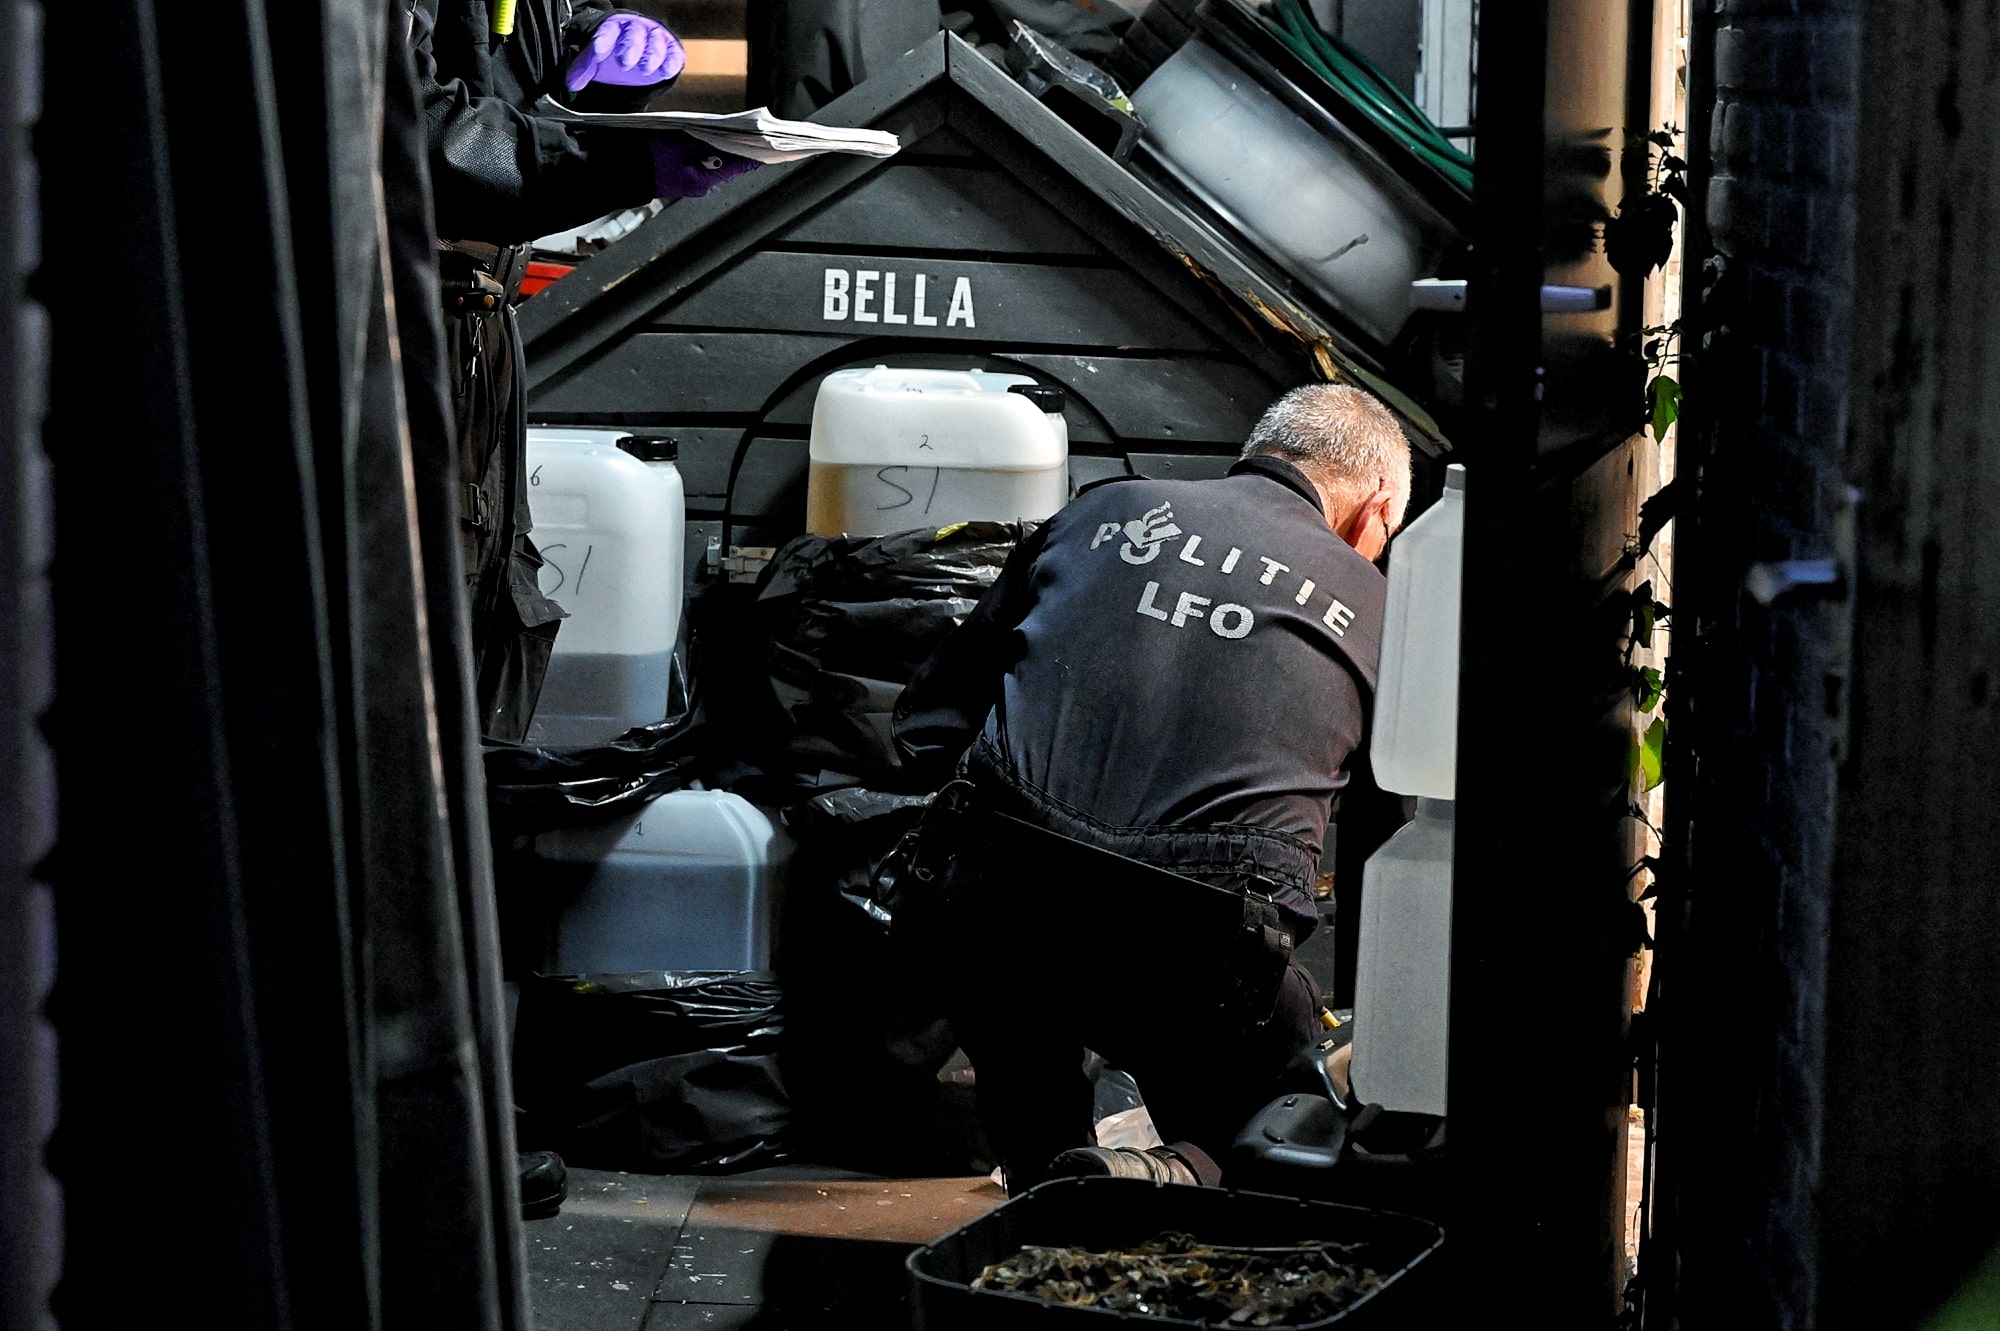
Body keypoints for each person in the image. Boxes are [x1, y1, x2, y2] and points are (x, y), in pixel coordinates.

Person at [405, 1, 762, 1217]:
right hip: (394, 348)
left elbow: (520, 99)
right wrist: (608, 153)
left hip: (472, 350)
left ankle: (457, 1088)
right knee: (405, 725)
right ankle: (410, 1109)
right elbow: (417, 137)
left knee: (477, 700)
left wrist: (611, 87)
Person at [889, 382, 1413, 1193]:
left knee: (1028, 1096)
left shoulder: (1103, 509)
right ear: (1374, 506)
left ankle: (1050, 1191)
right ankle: (1177, 1172)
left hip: (996, 900)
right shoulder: (1381, 605)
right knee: (1281, 1128)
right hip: (1204, 941)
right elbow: (1391, 835)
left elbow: (925, 721)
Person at [409, 1, 761, 745]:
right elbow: (403, 130)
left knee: (484, 629)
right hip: (391, 339)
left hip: (478, 340)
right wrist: (619, 164)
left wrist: (594, 54)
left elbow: (504, 77)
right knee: (400, 652)